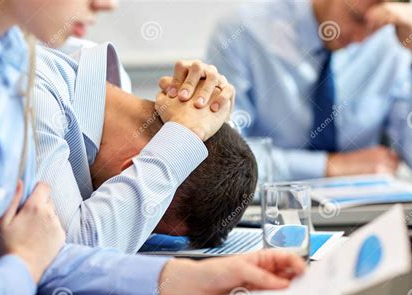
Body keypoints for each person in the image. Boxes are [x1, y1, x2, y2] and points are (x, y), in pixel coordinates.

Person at [0, 0, 305, 295]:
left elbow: (45, 251)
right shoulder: (29, 85)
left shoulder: (13, 59)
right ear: (132, 170)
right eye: (137, 216)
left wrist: (189, 277)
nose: (106, 5)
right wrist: (181, 136)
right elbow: (62, 246)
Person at [34, 42, 257, 250]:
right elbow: (69, 250)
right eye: (142, 222)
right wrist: (187, 132)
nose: (136, 232)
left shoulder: (104, 87)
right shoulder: (39, 95)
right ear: (131, 169)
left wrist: (196, 120)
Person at [207, 0, 412, 181]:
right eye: (356, 18)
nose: (360, 38)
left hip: (366, 212)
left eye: (374, 27)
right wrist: (330, 166)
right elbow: (225, 160)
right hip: (270, 210)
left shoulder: (392, 42)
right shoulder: (243, 31)